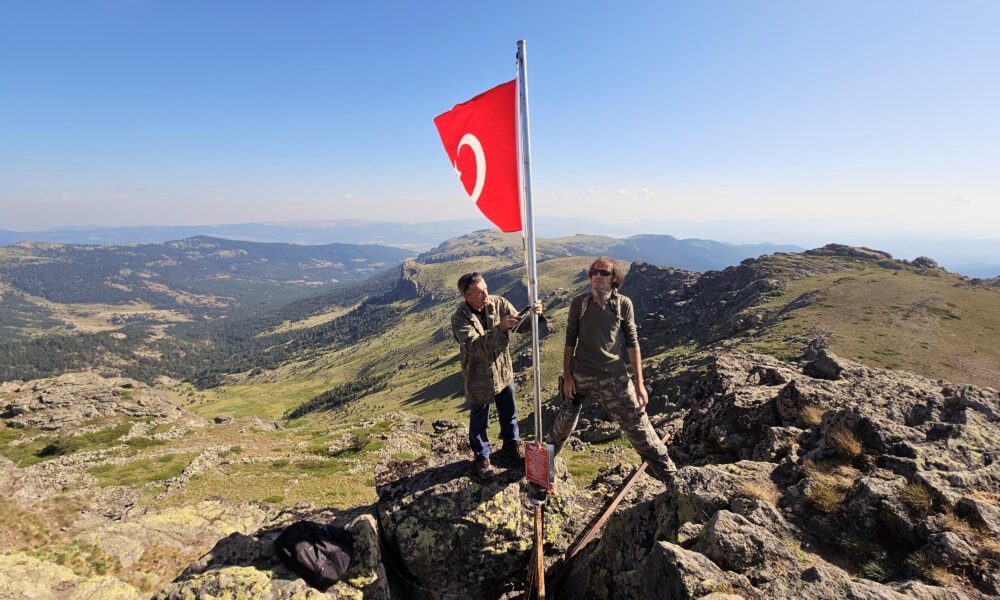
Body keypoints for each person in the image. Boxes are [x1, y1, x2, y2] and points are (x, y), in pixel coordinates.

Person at [547, 257, 677, 482]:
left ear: (614, 278)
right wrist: (568, 377)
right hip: (581, 374)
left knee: (638, 426)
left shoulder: (623, 304)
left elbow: (632, 343)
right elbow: (570, 341)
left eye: (604, 273)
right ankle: (541, 470)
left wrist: (639, 384)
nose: (597, 276)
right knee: (563, 425)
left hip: (614, 376)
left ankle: (670, 476)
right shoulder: (579, 303)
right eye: (594, 272)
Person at [451, 272, 542, 481]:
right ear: (466, 297)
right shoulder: (460, 318)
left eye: (486, 289)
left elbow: (520, 326)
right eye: (480, 293)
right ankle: (482, 458)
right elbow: (475, 347)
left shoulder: (498, 303)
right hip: (478, 377)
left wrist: (534, 316)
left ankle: (511, 447)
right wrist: (500, 328)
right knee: (479, 419)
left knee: (509, 412)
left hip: (503, 371)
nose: (486, 295)